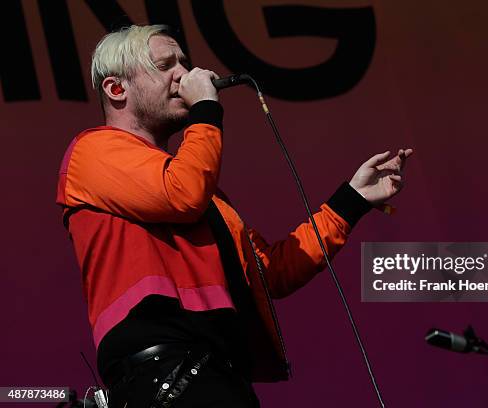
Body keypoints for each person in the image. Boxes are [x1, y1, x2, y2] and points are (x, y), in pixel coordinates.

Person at [56, 24, 412, 407]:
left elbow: (269, 272)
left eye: (184, 62)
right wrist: (207, 111)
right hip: (163, 372)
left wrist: (352, 200)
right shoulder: (91, 153)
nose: (186, 74)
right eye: (165, 65)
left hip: (220, 373)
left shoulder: (197, 183)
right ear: (116, 89)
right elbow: (183, 195)